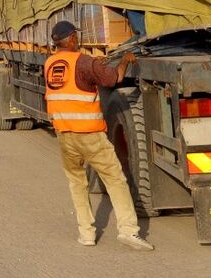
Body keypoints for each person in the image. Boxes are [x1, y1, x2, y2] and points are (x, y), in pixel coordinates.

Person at [44, 20, 154, 250]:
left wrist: (96, 64)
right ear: (72, 38)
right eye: (77, 36)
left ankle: (86, 234)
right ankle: (128, 231)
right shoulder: (84, 62)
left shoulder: (51, 63)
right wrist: (125, 60)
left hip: (65, 135)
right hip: (90, 135)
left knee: (77, 183)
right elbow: (113, 79)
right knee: (115, 179)